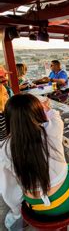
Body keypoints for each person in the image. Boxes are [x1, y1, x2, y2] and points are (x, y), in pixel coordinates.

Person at [1, 94, 69, 230]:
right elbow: (55, 116)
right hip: (63, 201)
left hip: (34, 206)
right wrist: (46, 107)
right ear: (37, 112)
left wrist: (17, 212)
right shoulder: (51, 129)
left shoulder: (4, 149)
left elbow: (8, 190)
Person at [0, 73, 22, 230]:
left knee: (16, 174)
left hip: (12, 138)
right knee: (7, 180)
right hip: (3, 142)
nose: (5, 80)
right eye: (1, 78)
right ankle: (17, 212)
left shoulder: (7, 90)